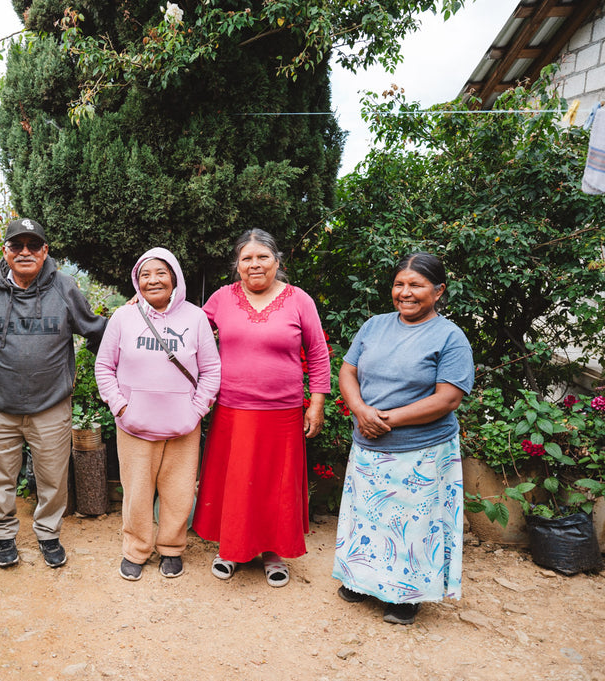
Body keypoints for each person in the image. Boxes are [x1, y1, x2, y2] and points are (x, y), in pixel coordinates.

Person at [332, 252, 474, 625]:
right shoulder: (375, 325)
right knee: (367, 518)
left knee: (411, 527)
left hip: (422, 451)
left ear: (438, 291)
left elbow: (448, 397)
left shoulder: (450, 337)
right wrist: (361, 410)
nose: (406, 292)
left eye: (416, 285)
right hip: (369, 443)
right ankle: (361, 580)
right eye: (399, 284)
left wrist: (386, 419)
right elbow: (348, 371)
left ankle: (404, 596)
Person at [191, 228, 330, 586]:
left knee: (275, 485)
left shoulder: (299, 300)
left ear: (277, 261)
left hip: (282, 413)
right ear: (237, 265)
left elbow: (317, 354)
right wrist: (144, 305)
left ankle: (273, 552)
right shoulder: (222, 298)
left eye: (262, 257)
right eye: (247, 258)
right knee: (235, 481)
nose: (255, 264)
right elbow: (187, 328)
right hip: (232, 409)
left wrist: (316, 404)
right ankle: (231, 549)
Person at [0, 217, 106, 569]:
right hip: (0, 404)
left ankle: (48, 534)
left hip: (51, 406)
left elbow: (95, 331)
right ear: (6, 251)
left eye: (34, 245)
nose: (26, 252)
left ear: (45, 251)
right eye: (18, 245)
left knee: (52, 476)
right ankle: (3, 536)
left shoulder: (65, 287)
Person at [95, 248, 221, 581]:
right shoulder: (123, 317)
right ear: (137, 280)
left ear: (175, 277)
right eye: (145, 274)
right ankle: (136, 549)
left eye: (161, 272)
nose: (153, 280)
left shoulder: (195, 318)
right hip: (134, 424)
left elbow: (211, 369)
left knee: (178, 492)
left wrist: (196, 410)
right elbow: (104, 366)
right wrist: (121, 405)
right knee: (136, 491)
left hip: (183, 425)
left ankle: (171, 549)